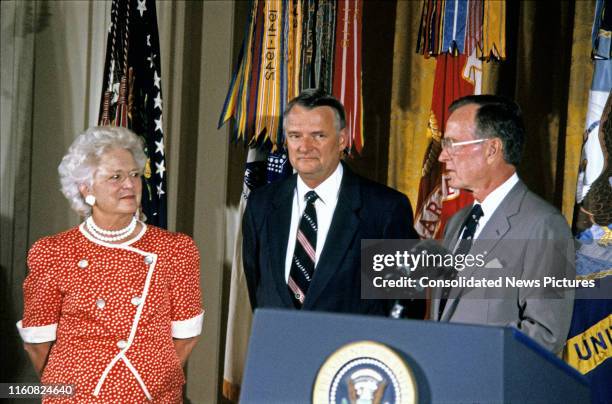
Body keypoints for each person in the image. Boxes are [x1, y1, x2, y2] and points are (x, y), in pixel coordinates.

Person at [17, 126, 203, 402]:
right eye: (115, 177)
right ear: (86, 188)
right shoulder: (53, 252)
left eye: (134, 175)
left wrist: (150, 382)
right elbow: (37, 343)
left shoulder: (176, 249)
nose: (129, 185)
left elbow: (186, 337)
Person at [242, 88, 421, 316]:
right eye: (295, 136)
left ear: (342, 140)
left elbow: (405, 306)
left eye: (318, 136)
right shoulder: (261, 204)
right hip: (280, 348)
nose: (305, 147)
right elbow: (257, 291)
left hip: (352, 350)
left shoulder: (385, 209)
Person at [432, 95, 574, 354]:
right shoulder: (457, 223)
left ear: (492, 149)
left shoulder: (545, 227)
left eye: (452, 144)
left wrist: (466, 360)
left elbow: (545, 334)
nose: (442, 156)